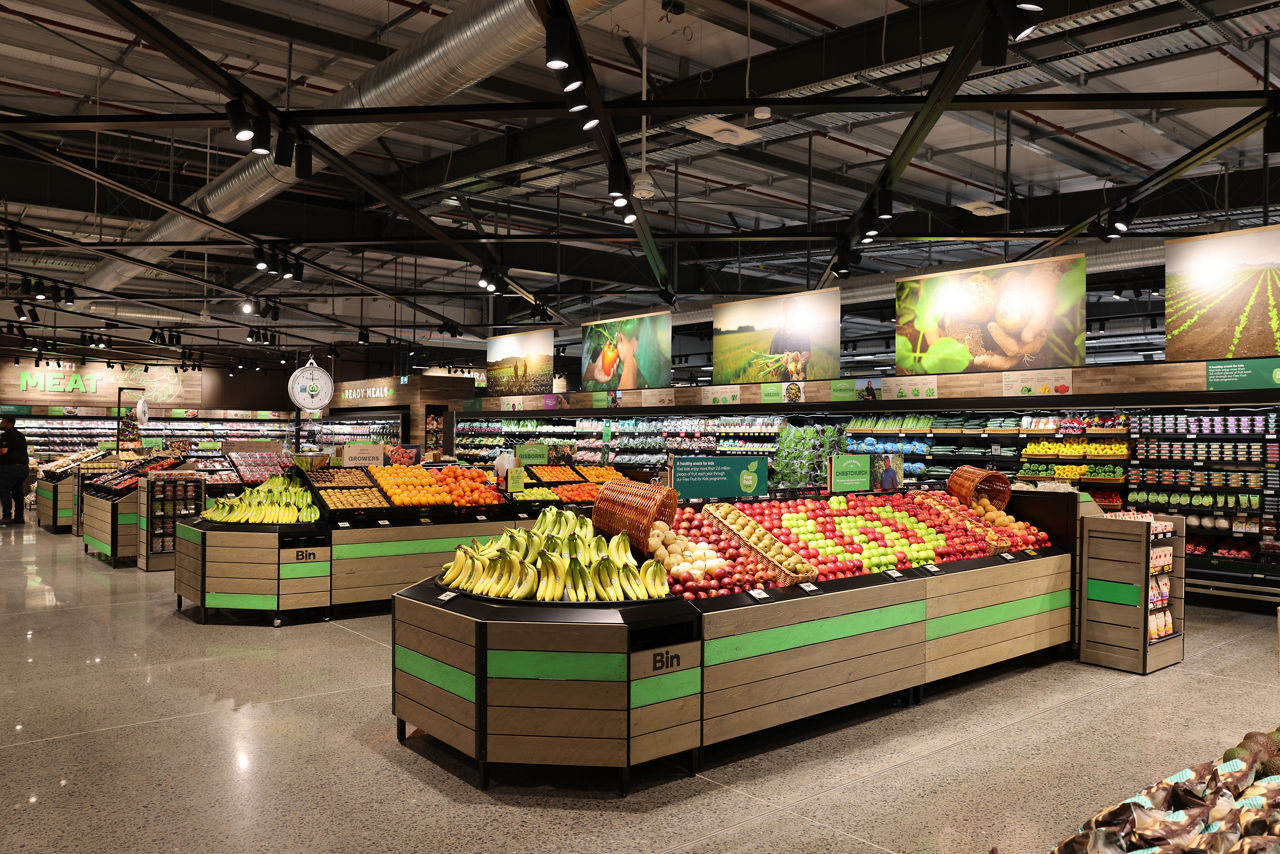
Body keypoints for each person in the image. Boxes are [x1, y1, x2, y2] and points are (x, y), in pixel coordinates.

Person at [0, 417, 29, 524]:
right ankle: (19, 517)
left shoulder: (6, 435)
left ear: (8, 423)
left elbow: (3, 451)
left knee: (4, 490)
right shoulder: (20, 435)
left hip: (10, 468)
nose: (1, 423)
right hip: (23, 468)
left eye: (2, 422)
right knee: (18, 492)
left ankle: (7, 516)